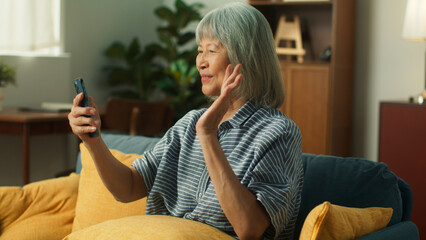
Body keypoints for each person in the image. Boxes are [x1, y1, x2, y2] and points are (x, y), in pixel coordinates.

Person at [68, 2, 303, 240]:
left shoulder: (278, 133)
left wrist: (208, 135)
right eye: (200, 51)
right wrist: (93, 140)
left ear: (246, 56)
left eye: (212, 50)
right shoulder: (189, 124)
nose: (200, 61)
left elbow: (249, 228)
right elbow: (127, 188)